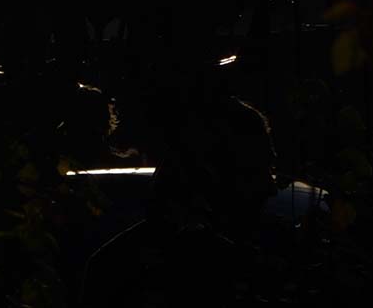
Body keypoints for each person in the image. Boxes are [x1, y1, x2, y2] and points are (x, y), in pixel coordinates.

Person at [81, 98, 282, 307]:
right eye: (256, 170)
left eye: (269, 170)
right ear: (211, 174)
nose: (271, 188)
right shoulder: (242, 271)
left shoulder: (114, 266)